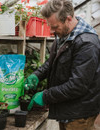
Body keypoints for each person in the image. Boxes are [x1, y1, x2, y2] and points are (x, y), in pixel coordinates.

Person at [24, 0, 100, 129]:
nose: (52, 31)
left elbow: (77, 85)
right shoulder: (65, 35)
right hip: (67, 109)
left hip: (79, 114)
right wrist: (37, 75)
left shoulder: (86, 44)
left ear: (68, 19)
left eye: (55, 27)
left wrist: (46, 96)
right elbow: (53, 61)